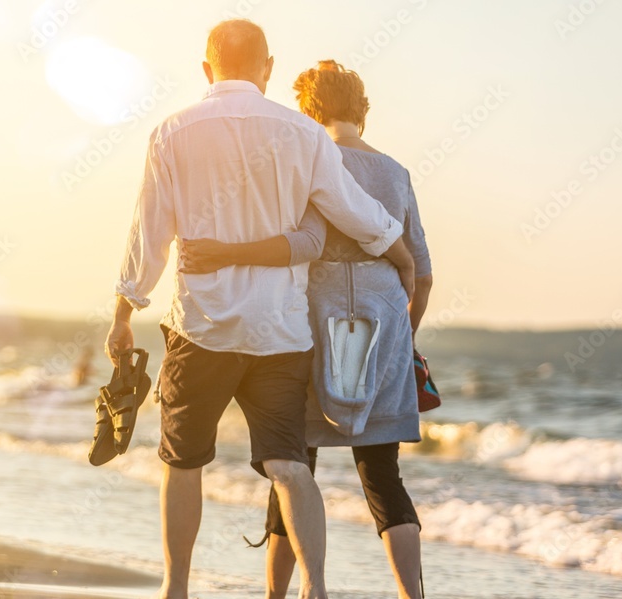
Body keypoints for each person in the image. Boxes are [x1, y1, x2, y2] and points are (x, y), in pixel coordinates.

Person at [104, 22, 416, 599]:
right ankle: (315, 588)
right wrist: (399, 253)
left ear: (205, 70)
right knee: (288, 464)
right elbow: (352, 210)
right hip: (280, 331)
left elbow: (149, 232)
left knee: (184, 461)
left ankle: (176, 589)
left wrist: (126, 309)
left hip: (203, 327)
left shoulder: (172, 132)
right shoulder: (302, 133)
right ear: (267, 67)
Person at [181, 60, 433, 599]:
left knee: (293, 464)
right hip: (384, 316)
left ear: (308, 108)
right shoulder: (396, 173)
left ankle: (279, 594)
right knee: (383, 474)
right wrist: (403, 343)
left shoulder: (304, 156)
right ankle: (414, 596)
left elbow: (296, 243)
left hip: (311, 317)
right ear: (361, 108)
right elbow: (424, 275)